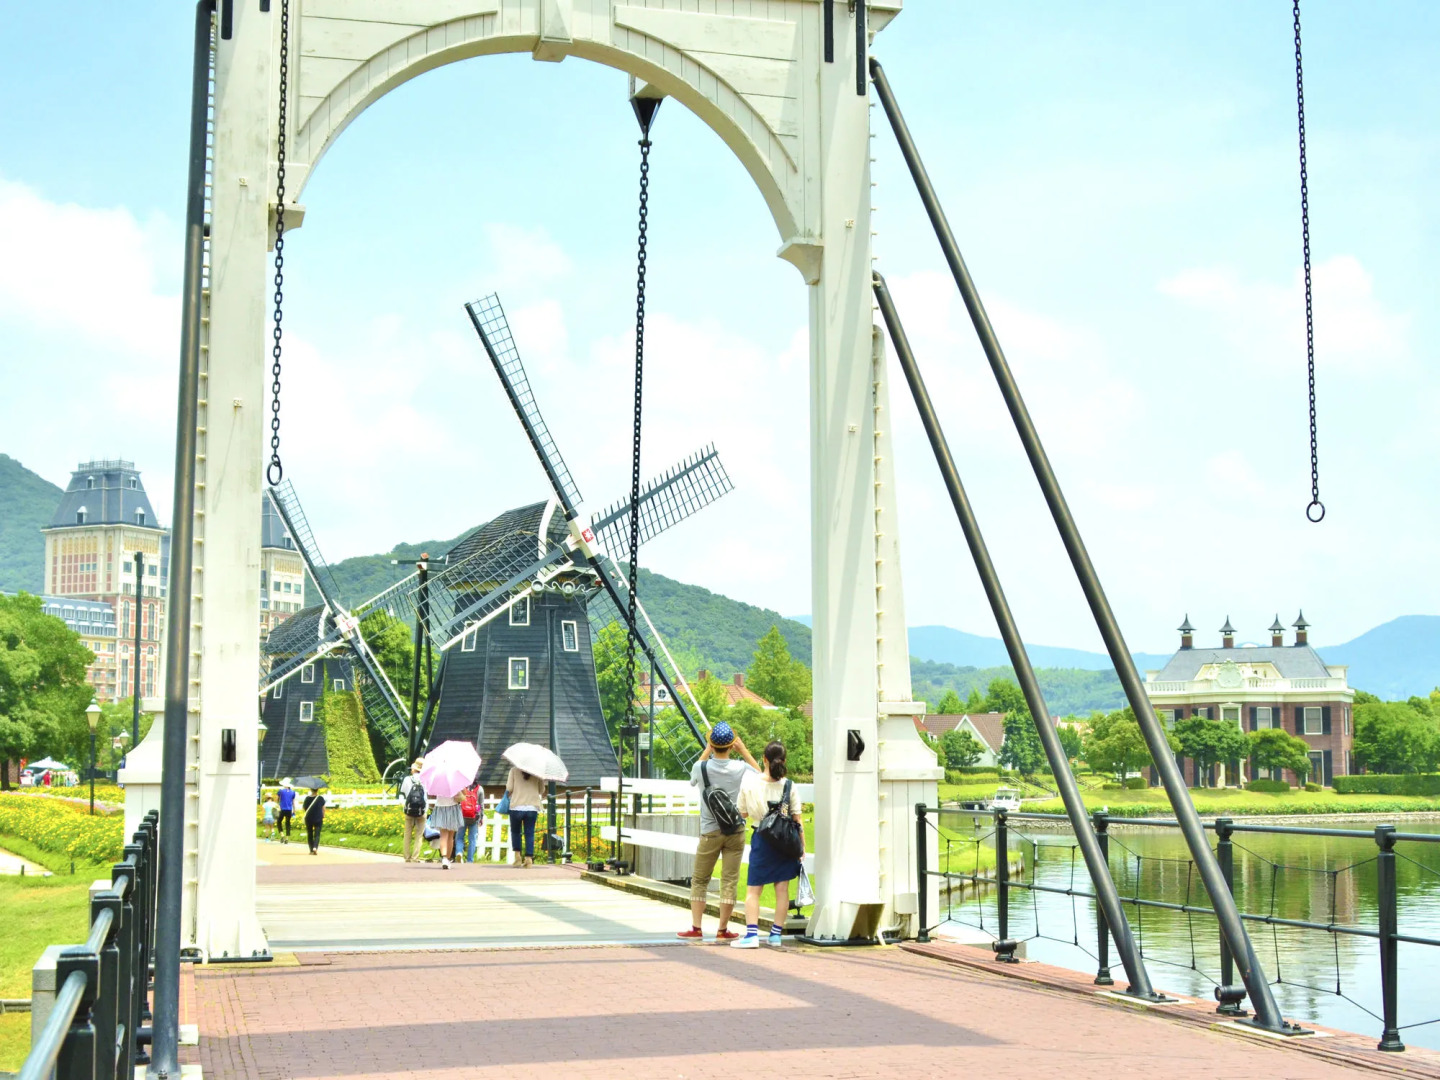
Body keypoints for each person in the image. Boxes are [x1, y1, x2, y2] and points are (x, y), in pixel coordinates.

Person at [677, 722, 758, 942]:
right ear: (732, 745)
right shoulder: (740, 768)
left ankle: (696, 928)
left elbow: (693, 779)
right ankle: (723, 930)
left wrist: (707, 749)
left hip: (709, 831)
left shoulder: (701, 767)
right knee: (729, 880)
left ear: (711, 744)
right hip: (735, 830)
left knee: (700, 879)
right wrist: (744, 751)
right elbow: (762, 776)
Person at [731, 741, 804, 949]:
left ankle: (752, 935)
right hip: (786, 842)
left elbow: (742, 813)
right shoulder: (789, 785)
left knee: (754, 890)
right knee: (782, 889)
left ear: (764, 759)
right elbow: (797, 819)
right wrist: (802, 848)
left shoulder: (749, 783)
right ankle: (775, 935)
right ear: (784, 760)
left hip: (762, 839)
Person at [506, 765, 545, 868]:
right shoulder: (537, 771)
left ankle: (518, 857)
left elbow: (509, 788)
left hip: (516, 806)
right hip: (532, 807)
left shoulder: (514, 770)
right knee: (529, 833)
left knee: (515, 832)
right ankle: (528, 859)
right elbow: (541, 790)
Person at [429, 780, 464, 870]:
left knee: (443, 835)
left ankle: (444, 858)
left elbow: (431, 793)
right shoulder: (455, 780)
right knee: (450, 836)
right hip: (453, 807)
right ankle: (447, 859)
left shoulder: (436, 780)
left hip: (440, 807)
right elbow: (464, 793)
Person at [399, 759, 429, 863]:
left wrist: (404, 807)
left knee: (407, 834)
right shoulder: (425, 780)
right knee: (419, 835)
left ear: (413, 769)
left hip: (409, 810)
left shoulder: (407, 779)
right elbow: (426, 796)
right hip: (422, 811)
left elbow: (402, 795)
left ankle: (407, 857)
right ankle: (415, 857)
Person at [458, 781, 482, 864]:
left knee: (460, 837)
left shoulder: (461, 787)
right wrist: (480, 818)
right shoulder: (479, 789)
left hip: (462, 816)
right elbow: (481, 805)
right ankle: (470, 860)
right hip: (473, 817)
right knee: (472, 839)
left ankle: (459, 853)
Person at [302, 785, 326, 855]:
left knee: (310, 834)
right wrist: (323, 815)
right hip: (318, 818)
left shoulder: (307, 798)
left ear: (311, 789)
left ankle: (311, 849)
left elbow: (304, 808)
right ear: (317, 789)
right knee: (317, 834)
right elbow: (323, 808)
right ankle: (315, 847)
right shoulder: (320, 798)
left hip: (309, 818)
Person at [276, 779, 296, 844]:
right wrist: (294, 810)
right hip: (289, 809)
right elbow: (293, 802)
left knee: (279, 821)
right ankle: (287, 838)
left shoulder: (281, 791)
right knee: (288, 823)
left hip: (282, 809)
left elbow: (277, 799)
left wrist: (278, 805)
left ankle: (282, 835)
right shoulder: (293, 792)